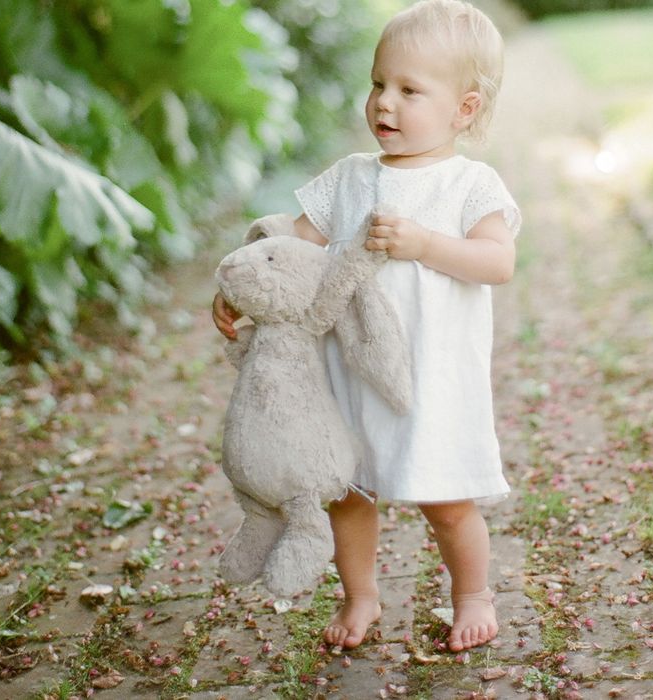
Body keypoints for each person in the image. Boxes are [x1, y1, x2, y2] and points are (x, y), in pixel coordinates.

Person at [212, 0, 520, 653]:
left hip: (429, 381)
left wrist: (423, 243)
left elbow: (497, 262)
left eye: (410, 90)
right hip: (344, 378)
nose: (384, 102)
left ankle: (472, 593)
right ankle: (362, 596)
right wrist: (241, 292)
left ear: (463, 109)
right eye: (379, 83)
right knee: (347, 493)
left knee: (447, 503)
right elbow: (293, 253)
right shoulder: (348, 180)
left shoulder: (470, 185)